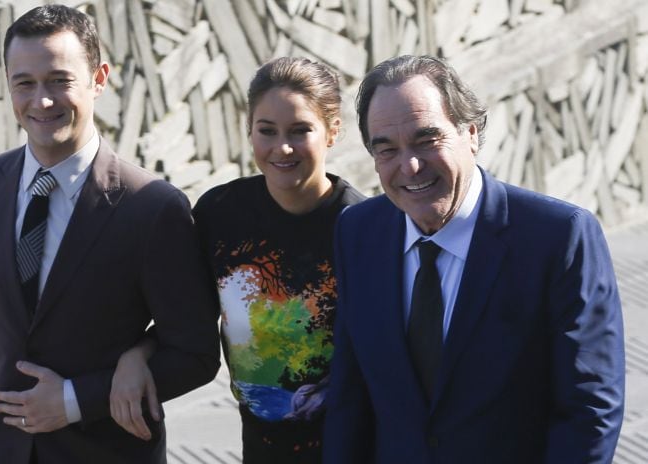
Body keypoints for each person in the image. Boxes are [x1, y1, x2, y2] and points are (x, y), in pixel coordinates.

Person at [0, 5, 219, 464]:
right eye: (25, 82)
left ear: (99, 78)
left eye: (59, 80)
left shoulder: (153, 206)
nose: (41, 101)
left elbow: (196, 352)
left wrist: (77, 399)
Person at [322, 54, 625, 463]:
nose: (409, 166)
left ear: (471, 133)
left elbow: (590, 409)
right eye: (387, 150)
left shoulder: (558, 237)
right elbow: (349, 393)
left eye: (426, 140)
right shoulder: (357, 232)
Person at [110, 57, 365, 463]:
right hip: (260, 448)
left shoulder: (363, 227)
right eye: (267, 130)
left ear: (333, 132)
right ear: (249, 131)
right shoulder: (220, 213)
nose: (282, 147)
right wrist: (137, 353)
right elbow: (192, 314)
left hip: (351, 448)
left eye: (300, 131)